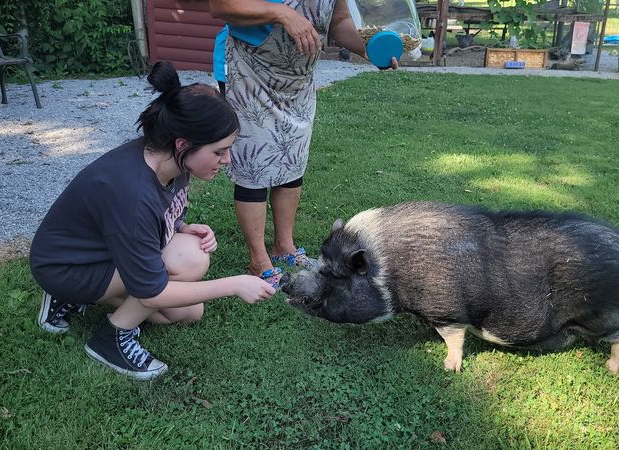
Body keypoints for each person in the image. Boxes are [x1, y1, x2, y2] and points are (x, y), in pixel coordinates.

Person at [29, 61, 275, 381]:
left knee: (188, 311)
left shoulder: (172, 162)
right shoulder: (133, 194)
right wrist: (235, 284)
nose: (226, 160)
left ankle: (84, 299)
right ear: (183, 144)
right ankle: (110, 338)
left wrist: (182, 226)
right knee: (183, 269)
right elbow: (150, 293)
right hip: (65, 266)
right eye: (219, 151)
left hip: (99, 251)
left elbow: (162, 213)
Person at [208, 0, 397, 288]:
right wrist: (281, 12)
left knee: (292, 159)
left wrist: (368, 49)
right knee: (254, 163)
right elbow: (222, 6)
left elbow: (338, 21)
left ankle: (284, 247)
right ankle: (258, 261)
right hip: (248, 69)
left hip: (296, 80)